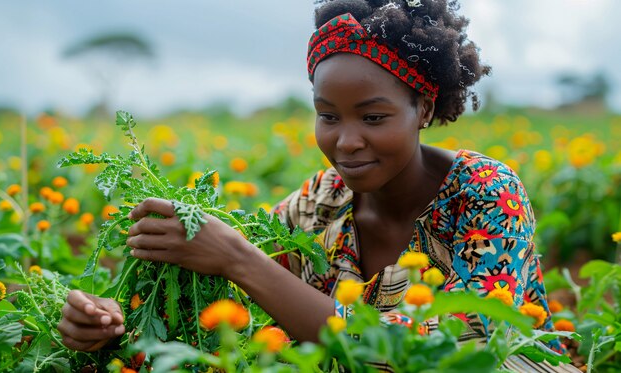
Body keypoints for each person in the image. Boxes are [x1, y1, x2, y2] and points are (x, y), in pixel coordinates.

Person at [58, 0, 578, 370]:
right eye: (328, 116)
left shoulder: (485, 192)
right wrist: (113, 319)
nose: (346, 141)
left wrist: (240, 259)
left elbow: (460, 349)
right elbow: (214, 308)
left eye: (372, 118)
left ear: (422, 108)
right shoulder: (318, 204)